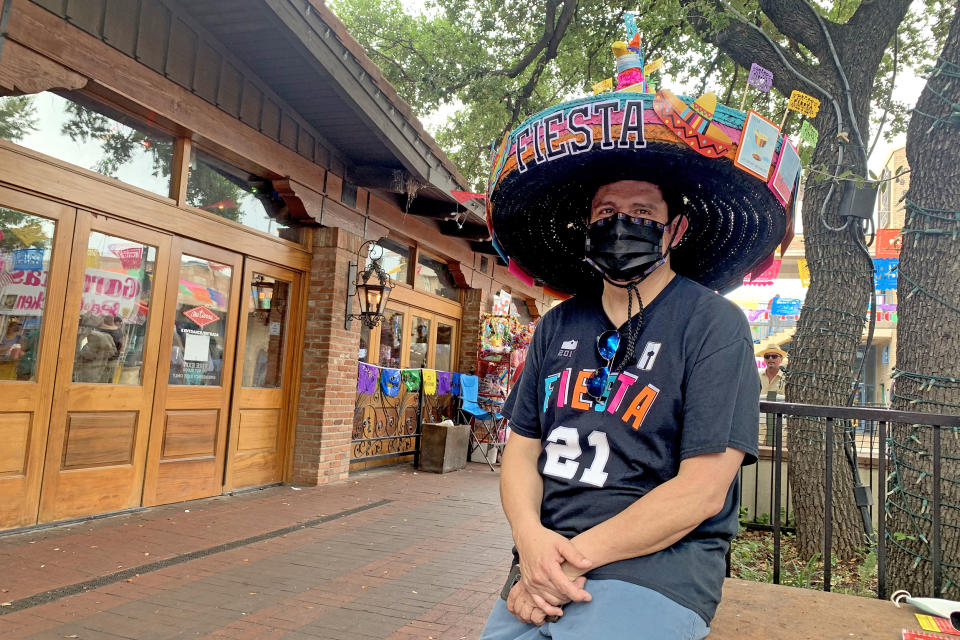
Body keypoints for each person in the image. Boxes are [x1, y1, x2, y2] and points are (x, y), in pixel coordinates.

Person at [480, 27, 797, 640]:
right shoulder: (557, 326)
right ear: (588, 227)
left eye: (643, 214)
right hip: (544, 565)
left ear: (674, 230)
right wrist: (530, 547)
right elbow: (521, 450)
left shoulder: (714, 325)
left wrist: (560, 564)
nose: (622, 224)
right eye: (607, 214)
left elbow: (702, 492)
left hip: (658, 570)